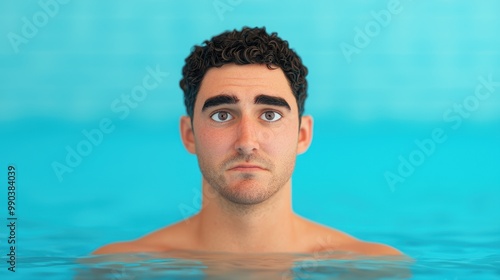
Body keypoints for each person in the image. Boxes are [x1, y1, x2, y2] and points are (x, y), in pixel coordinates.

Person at [93, 27, 402, 256]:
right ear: (189, 135)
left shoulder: (371, 268)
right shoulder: (120, 266)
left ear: (302, 135)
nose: (246, 141)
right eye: (222, 115)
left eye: (269, 115)